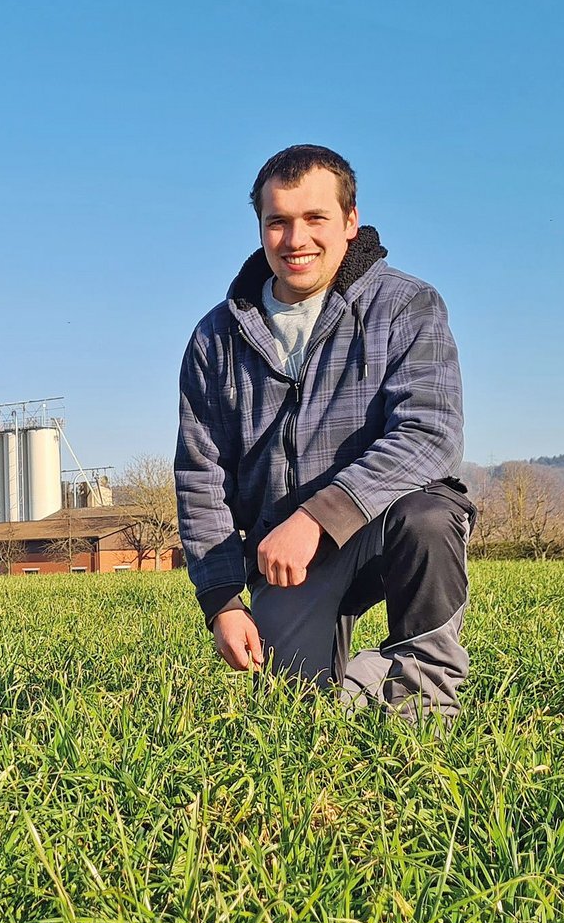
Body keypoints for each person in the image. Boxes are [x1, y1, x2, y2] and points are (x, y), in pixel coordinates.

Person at [175, 144, 476, 720]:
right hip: (282, 555)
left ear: (350, 221)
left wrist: (317, 517)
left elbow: (430, 434)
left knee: (432, 515)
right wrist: (221, 601)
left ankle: (425, 697)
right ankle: (374, 677)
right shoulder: (215, 337)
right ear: (260, 227)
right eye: (278, 222)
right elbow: (199, 475)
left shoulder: (407, 305)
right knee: (297, 711)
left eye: (315, 219)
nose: (296, 240)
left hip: (385, 521)